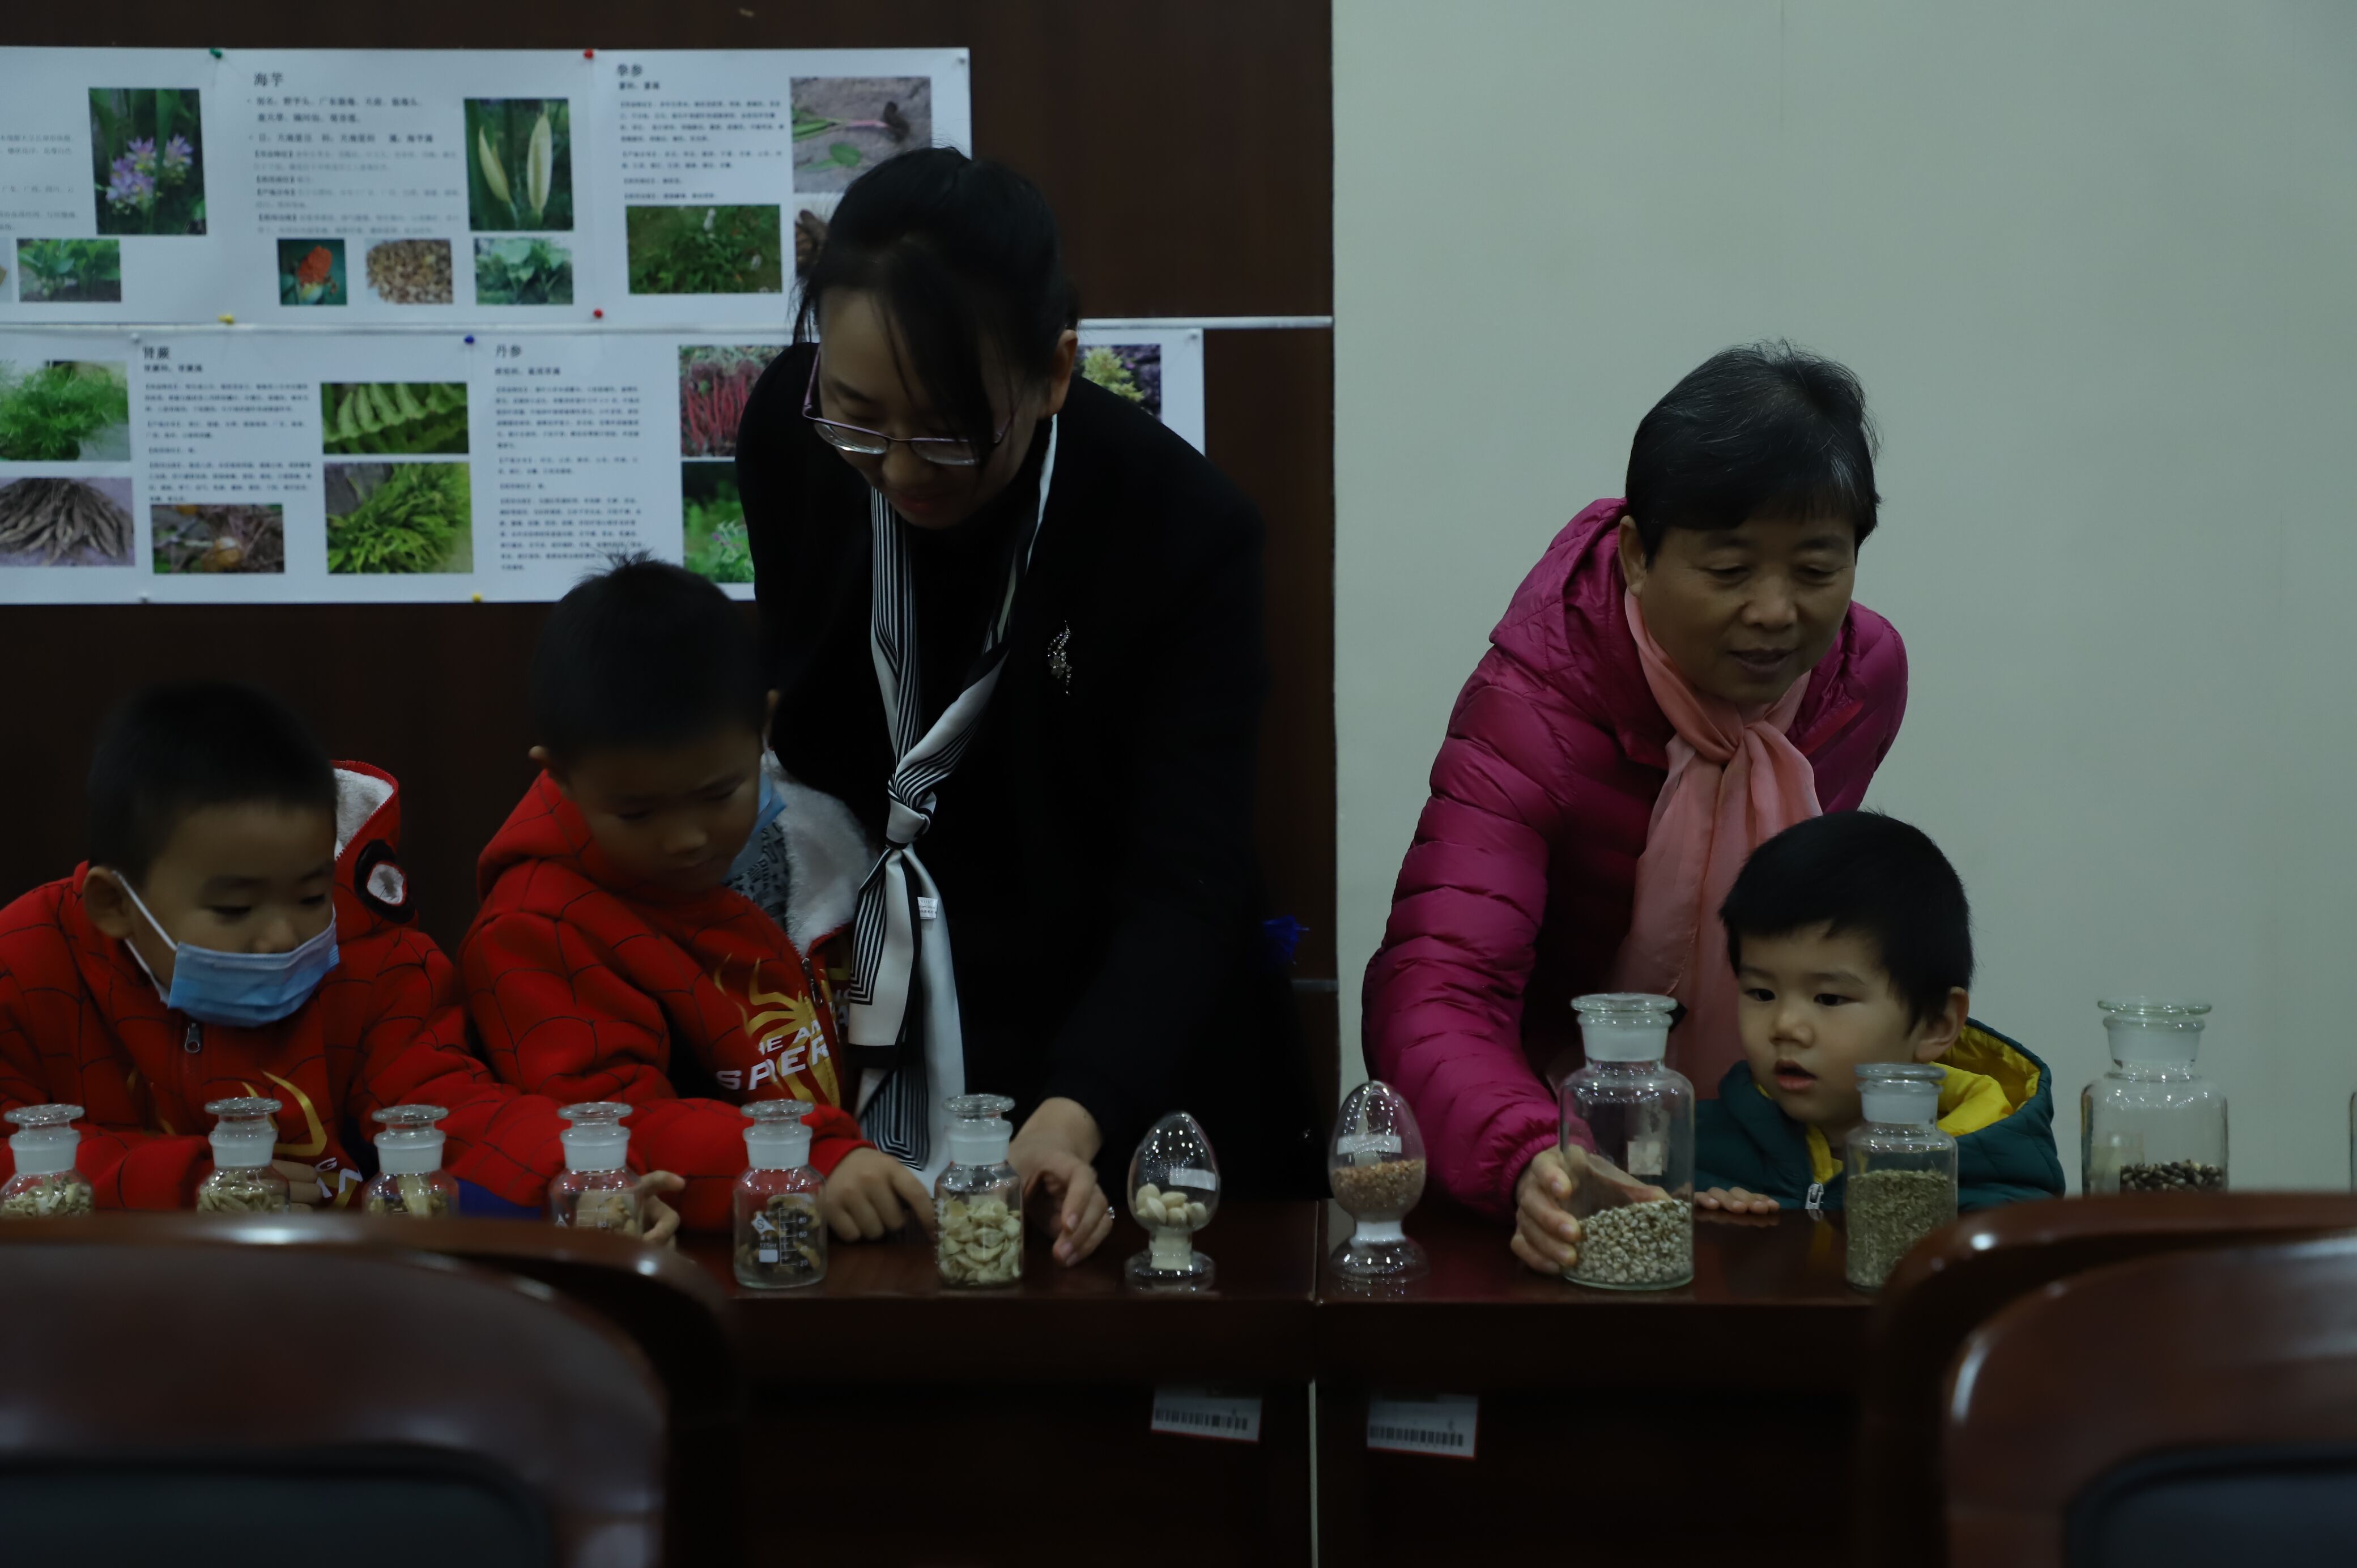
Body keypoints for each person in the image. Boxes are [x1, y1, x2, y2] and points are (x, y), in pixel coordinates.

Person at [734, 147, 1318, 1264]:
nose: (899, 469)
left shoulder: (1178, 528)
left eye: (949, 430)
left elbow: (1185, 878)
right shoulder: (791, 440)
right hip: (866, 1005)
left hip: (1114, 1034)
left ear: (1054, 371)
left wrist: (1075, 1109)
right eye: (858, 416)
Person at [1363, 342, 1911, 1275]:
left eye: (1817, 569)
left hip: (1752, 1168)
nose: (1775, 612)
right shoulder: (1531, 708)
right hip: (1548, 1135)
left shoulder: (1860, 680)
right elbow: (1440, 982)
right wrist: (1531, 1153)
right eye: (1729, 570)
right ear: (1637, 556)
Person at [0, 680, 683, 1237]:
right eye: (235, 908)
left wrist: (583, 1174)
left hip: (332, 1299)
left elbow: (448, 1106)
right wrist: (196, 1181)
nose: (281, 935)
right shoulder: (25, 960)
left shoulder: (375, 961)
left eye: (309, 895)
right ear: (115, 903)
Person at [463, 557, 923, 1239]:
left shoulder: (822, 841)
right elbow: (609, 1124)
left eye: (718, 794)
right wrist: (805, 1159)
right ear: (558, 775)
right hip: (712, 1246)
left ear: (763, 729)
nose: (686, 839)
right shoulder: (535, 926)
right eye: (636, 813)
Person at [1692, 811, 2064, 1213]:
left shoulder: (1996, 1184)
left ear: (1935, 1024)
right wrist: (1724, 1237)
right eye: (1762, 993)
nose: (1785, 1026)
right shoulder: (1696, 1146)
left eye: (1829, 999)